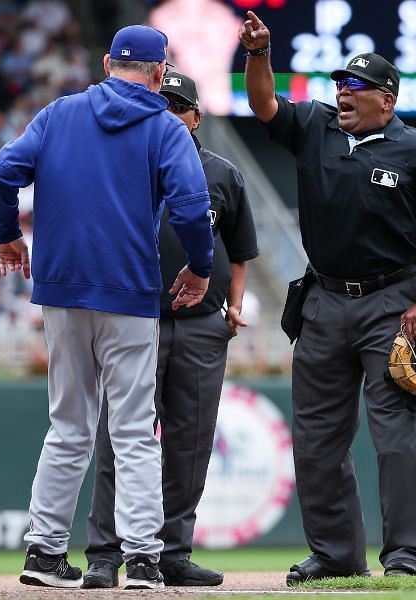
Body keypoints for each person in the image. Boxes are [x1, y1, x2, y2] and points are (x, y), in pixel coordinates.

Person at [238, 10, 416, 583]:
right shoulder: (315, 126)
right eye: (340, 83)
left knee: (399, 436)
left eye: (356, 86)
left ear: (385, 100)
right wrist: (259, 54)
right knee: (316, 437)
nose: (342, 92)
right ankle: (337, 555)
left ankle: (409, 556)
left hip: (394, 303)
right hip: (323, 300)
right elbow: (264, 105)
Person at [0, 25, 213, 590]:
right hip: (129, 293)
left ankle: (43, 554)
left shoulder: (60, 113)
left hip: (61, 290)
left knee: (67, 427)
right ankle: (141, 561)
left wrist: (9, 235)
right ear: (160, 73)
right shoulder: (165, 125)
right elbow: (190, 203)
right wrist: (201, 267)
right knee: (134, 432)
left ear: (109, 61)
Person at [82, 70, 259, 589]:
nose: (168, 116)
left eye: (177, 107)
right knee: (122, 439)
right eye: (159, 106)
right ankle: (104, 554)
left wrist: (235, 305)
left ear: (196, 117)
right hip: (137, 320)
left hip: (202, 325)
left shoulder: (221, 172)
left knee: (191, 443)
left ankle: (173, 551)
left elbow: (242, 249)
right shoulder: (124, 164)